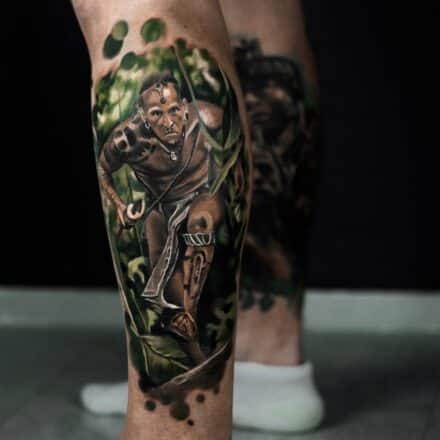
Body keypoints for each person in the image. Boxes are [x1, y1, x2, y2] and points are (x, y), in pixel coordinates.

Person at [72, 0, 323, 438]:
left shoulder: (204, 117)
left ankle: (177, 424)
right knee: (254, 8)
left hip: (197, 200)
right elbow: (113, 170)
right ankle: (267, 363)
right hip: (163, 205)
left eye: (174, 111)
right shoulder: (130, 140)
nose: (168, 122)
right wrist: (123, 203)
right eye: (156, 115)